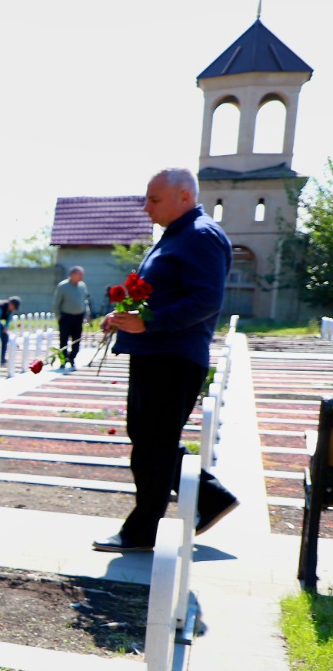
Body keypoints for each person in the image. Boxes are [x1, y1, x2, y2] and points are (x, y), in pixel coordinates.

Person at [93, 168, 239, 552]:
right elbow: (160, 296)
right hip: (156, 354)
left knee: (153, 445)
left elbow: (206, 300)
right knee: (149, 440)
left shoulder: (201, 235)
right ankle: (210, 498)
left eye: (154, 199)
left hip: (173, 357)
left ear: (184, 197)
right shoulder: (177, 235)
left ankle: (144, 530)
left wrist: (149, 322)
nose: (146, 207)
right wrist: (124, 317)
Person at [52, 266, 92, 369]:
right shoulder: (63, 286)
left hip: (78, 317)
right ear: (73, 275)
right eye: (80, 274)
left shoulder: (82, 286)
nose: (82, 277)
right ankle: (63, 360)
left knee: (77, 340)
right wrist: (58, 316)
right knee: (64, 340)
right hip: (66, 317)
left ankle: (72, 357)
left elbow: (85, 301)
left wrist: (87, 314)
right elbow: (56, 303)